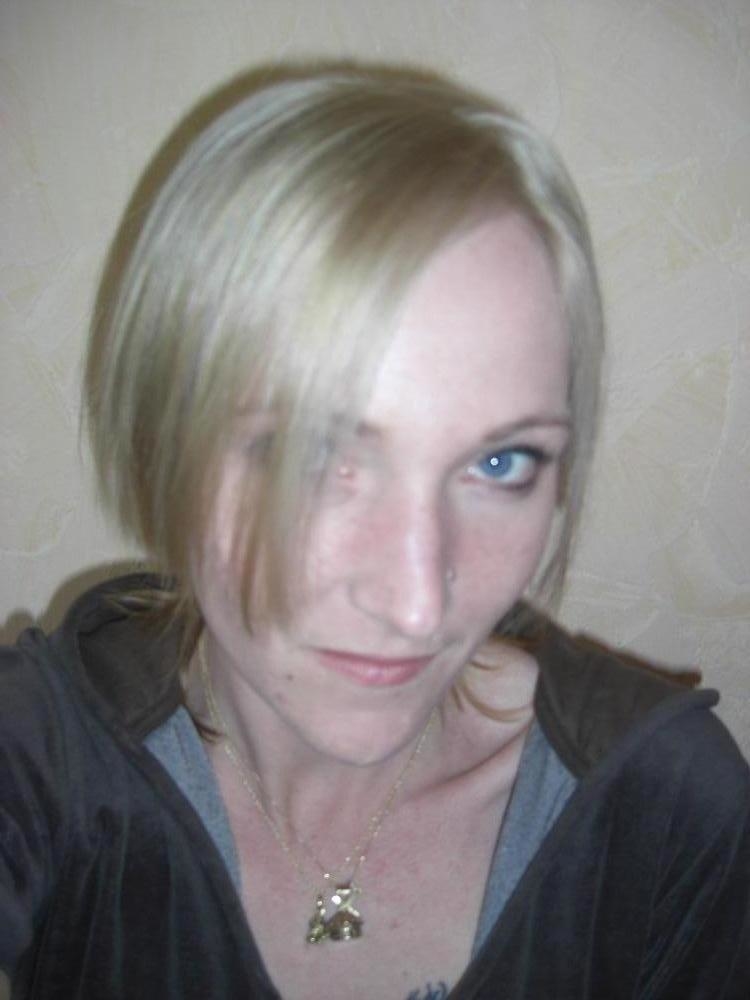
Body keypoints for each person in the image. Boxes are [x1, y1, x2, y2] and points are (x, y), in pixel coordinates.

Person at [1, 63, 748, 1000]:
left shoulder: (668, 813)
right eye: (315, 454)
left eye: (500, 462)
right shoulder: (40, 757)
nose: (419, 604)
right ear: (165, 438)